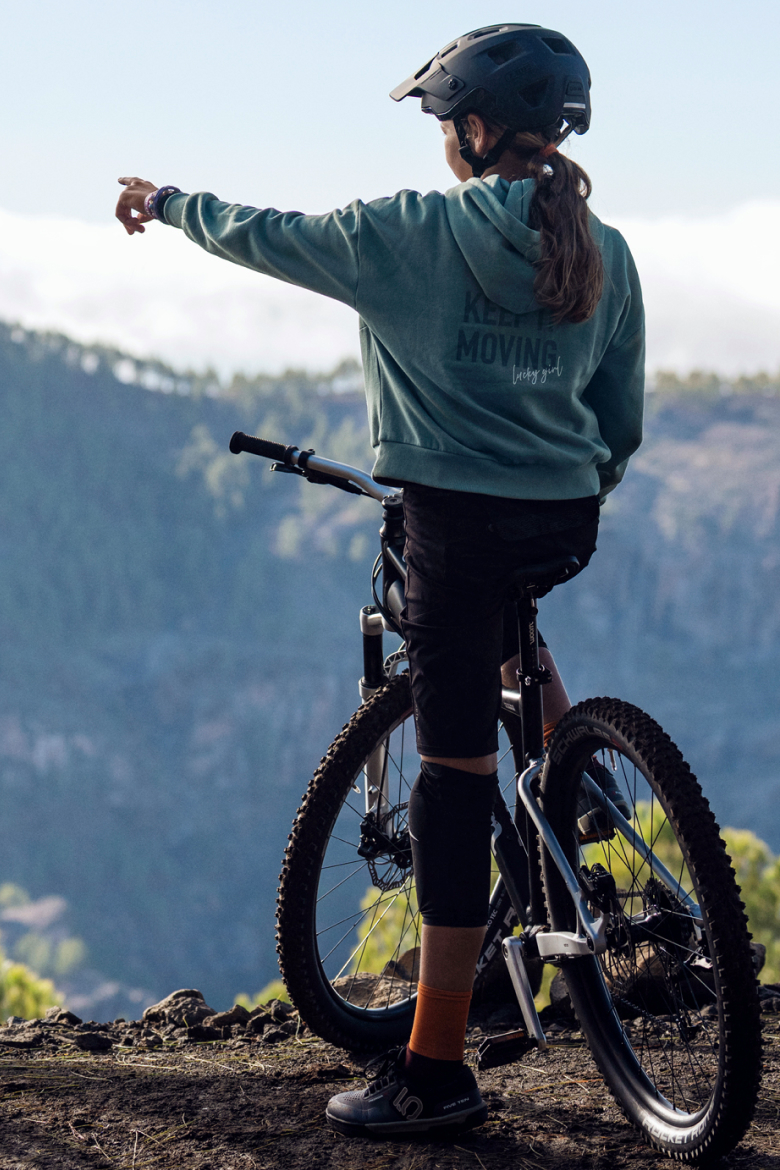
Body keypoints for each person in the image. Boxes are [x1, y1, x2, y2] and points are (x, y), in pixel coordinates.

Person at [116, 22, 644, 1140]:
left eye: (445, 119)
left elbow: (268, 235)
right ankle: (574, 778)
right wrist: (562, 479)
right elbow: (619, 421)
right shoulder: (607, 248)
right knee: (509, 616)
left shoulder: (408, 235)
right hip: (564, 521)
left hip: (453, 530)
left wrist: (165, 202)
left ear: (476, 130)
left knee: (450, 793)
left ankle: (435, 1070)